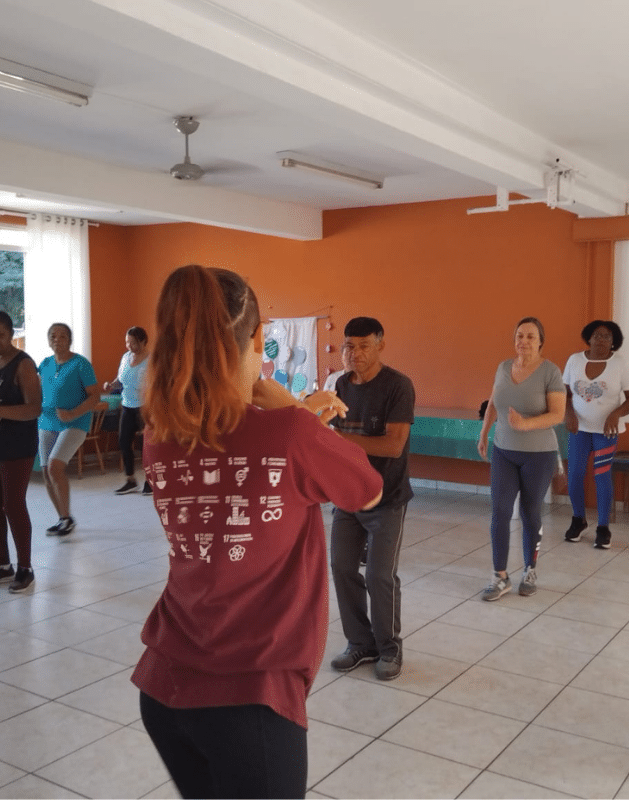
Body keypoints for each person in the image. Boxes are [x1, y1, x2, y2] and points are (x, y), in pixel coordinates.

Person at [131, 265, 382, 800]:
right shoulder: (290, 431)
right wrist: (296, 411)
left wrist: (283, 414)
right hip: (249, 700)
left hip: (164, 683)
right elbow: (367, 489)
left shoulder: (160, 435)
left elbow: (227, 433)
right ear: (249, 343)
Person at [329, 316, 415, 681]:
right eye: (349, 345)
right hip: (347, 496)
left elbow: (393, 446)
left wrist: (339, 440)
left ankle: (389, 648)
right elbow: (319, 433)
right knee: (343, 568)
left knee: (380, 575)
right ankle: (359, 643)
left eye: (364, 345)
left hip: (387, 498)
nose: (355, 353)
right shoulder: (337, 386)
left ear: (380, 344)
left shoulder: (398, 386)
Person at [477, 317, 566, 600]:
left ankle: (530, 569)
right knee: (500, 512)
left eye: (530, 336)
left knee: (530, 513)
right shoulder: (504, 367)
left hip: (539, 455)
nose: (523, 341)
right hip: (503, 450)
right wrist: (483, 434)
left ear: (540, 340)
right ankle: (500, 576)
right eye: (519, 336)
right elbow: (493, 402)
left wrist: (525, 424)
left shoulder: (550, 371)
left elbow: (558, 414)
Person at [562, 320, 629, 548]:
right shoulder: (574, 360)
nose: (601, 340)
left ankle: (603, 527)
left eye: (606, 336)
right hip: (579, 429)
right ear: (589, 338)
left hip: (606, 432)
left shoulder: (620, 364)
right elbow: (564, 393)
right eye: (596, 335)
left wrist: (616, 413)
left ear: (613, 341)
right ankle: (578, 519)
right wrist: (569, 414)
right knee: (575, 474)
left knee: (601, 475)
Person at [38, 322, 101, 536]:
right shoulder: (45, 364)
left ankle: (66, 518)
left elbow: (95, 396)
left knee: (55, 466)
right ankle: (64, 518)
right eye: (53, 336)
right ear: (48, 341)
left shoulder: (81, 364)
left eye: (62, 336)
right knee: (47, 471)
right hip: (47, 422)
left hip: (75, 423)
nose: (57, 340)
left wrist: (73, 413)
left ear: (70, 339)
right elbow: (37, 389)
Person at [0, 312, 42, 593]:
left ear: (11, 334)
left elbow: (33, 408)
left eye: (0, 335)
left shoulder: (23, 364)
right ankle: (3, 565)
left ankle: (25, 568)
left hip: (18, 446)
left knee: (13, 505)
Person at [104, 326, 152, 495]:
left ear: (143, 341)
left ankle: (150, 481)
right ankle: (130, 480)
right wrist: (112, 384)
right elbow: (120, 379)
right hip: (127, 406)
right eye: (127, 342)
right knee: (124, 442)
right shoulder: (126, 358)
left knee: (145, 446)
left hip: (145, 408)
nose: (129, 346)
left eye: (133, 342)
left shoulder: (152, 360)